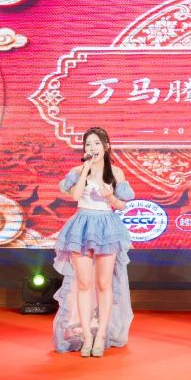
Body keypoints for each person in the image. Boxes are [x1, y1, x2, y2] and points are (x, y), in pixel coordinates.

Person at [52, 127, 135, 358]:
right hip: (81, 226)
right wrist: (85, 170)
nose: (92, 148)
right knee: (83, 284)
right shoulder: (78, 170)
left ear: (106, 146)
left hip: (106, 227)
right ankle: (87, 336)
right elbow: (75, 196)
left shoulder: (115, 172)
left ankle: (101, 335)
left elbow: (122, 205)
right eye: (88, 144)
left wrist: (110, 196)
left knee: (104, 284)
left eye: (97, 143)